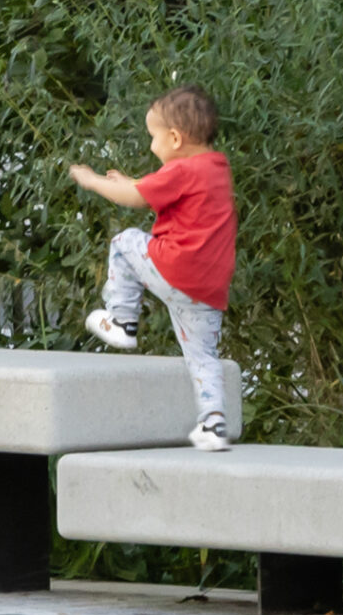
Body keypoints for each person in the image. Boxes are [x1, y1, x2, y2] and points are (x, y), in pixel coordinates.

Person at [68, 84, 237, 452]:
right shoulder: (216, 169)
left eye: (154, 138)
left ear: (175, 138)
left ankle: (123, 321)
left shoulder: (182, 169)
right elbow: (151, 190)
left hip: (177, 268)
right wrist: (129, 182)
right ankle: (213, 423)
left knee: (124, 242)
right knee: (202, 356)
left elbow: (135, 199)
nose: (151, 147)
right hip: (208, 289)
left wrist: (94, 181)